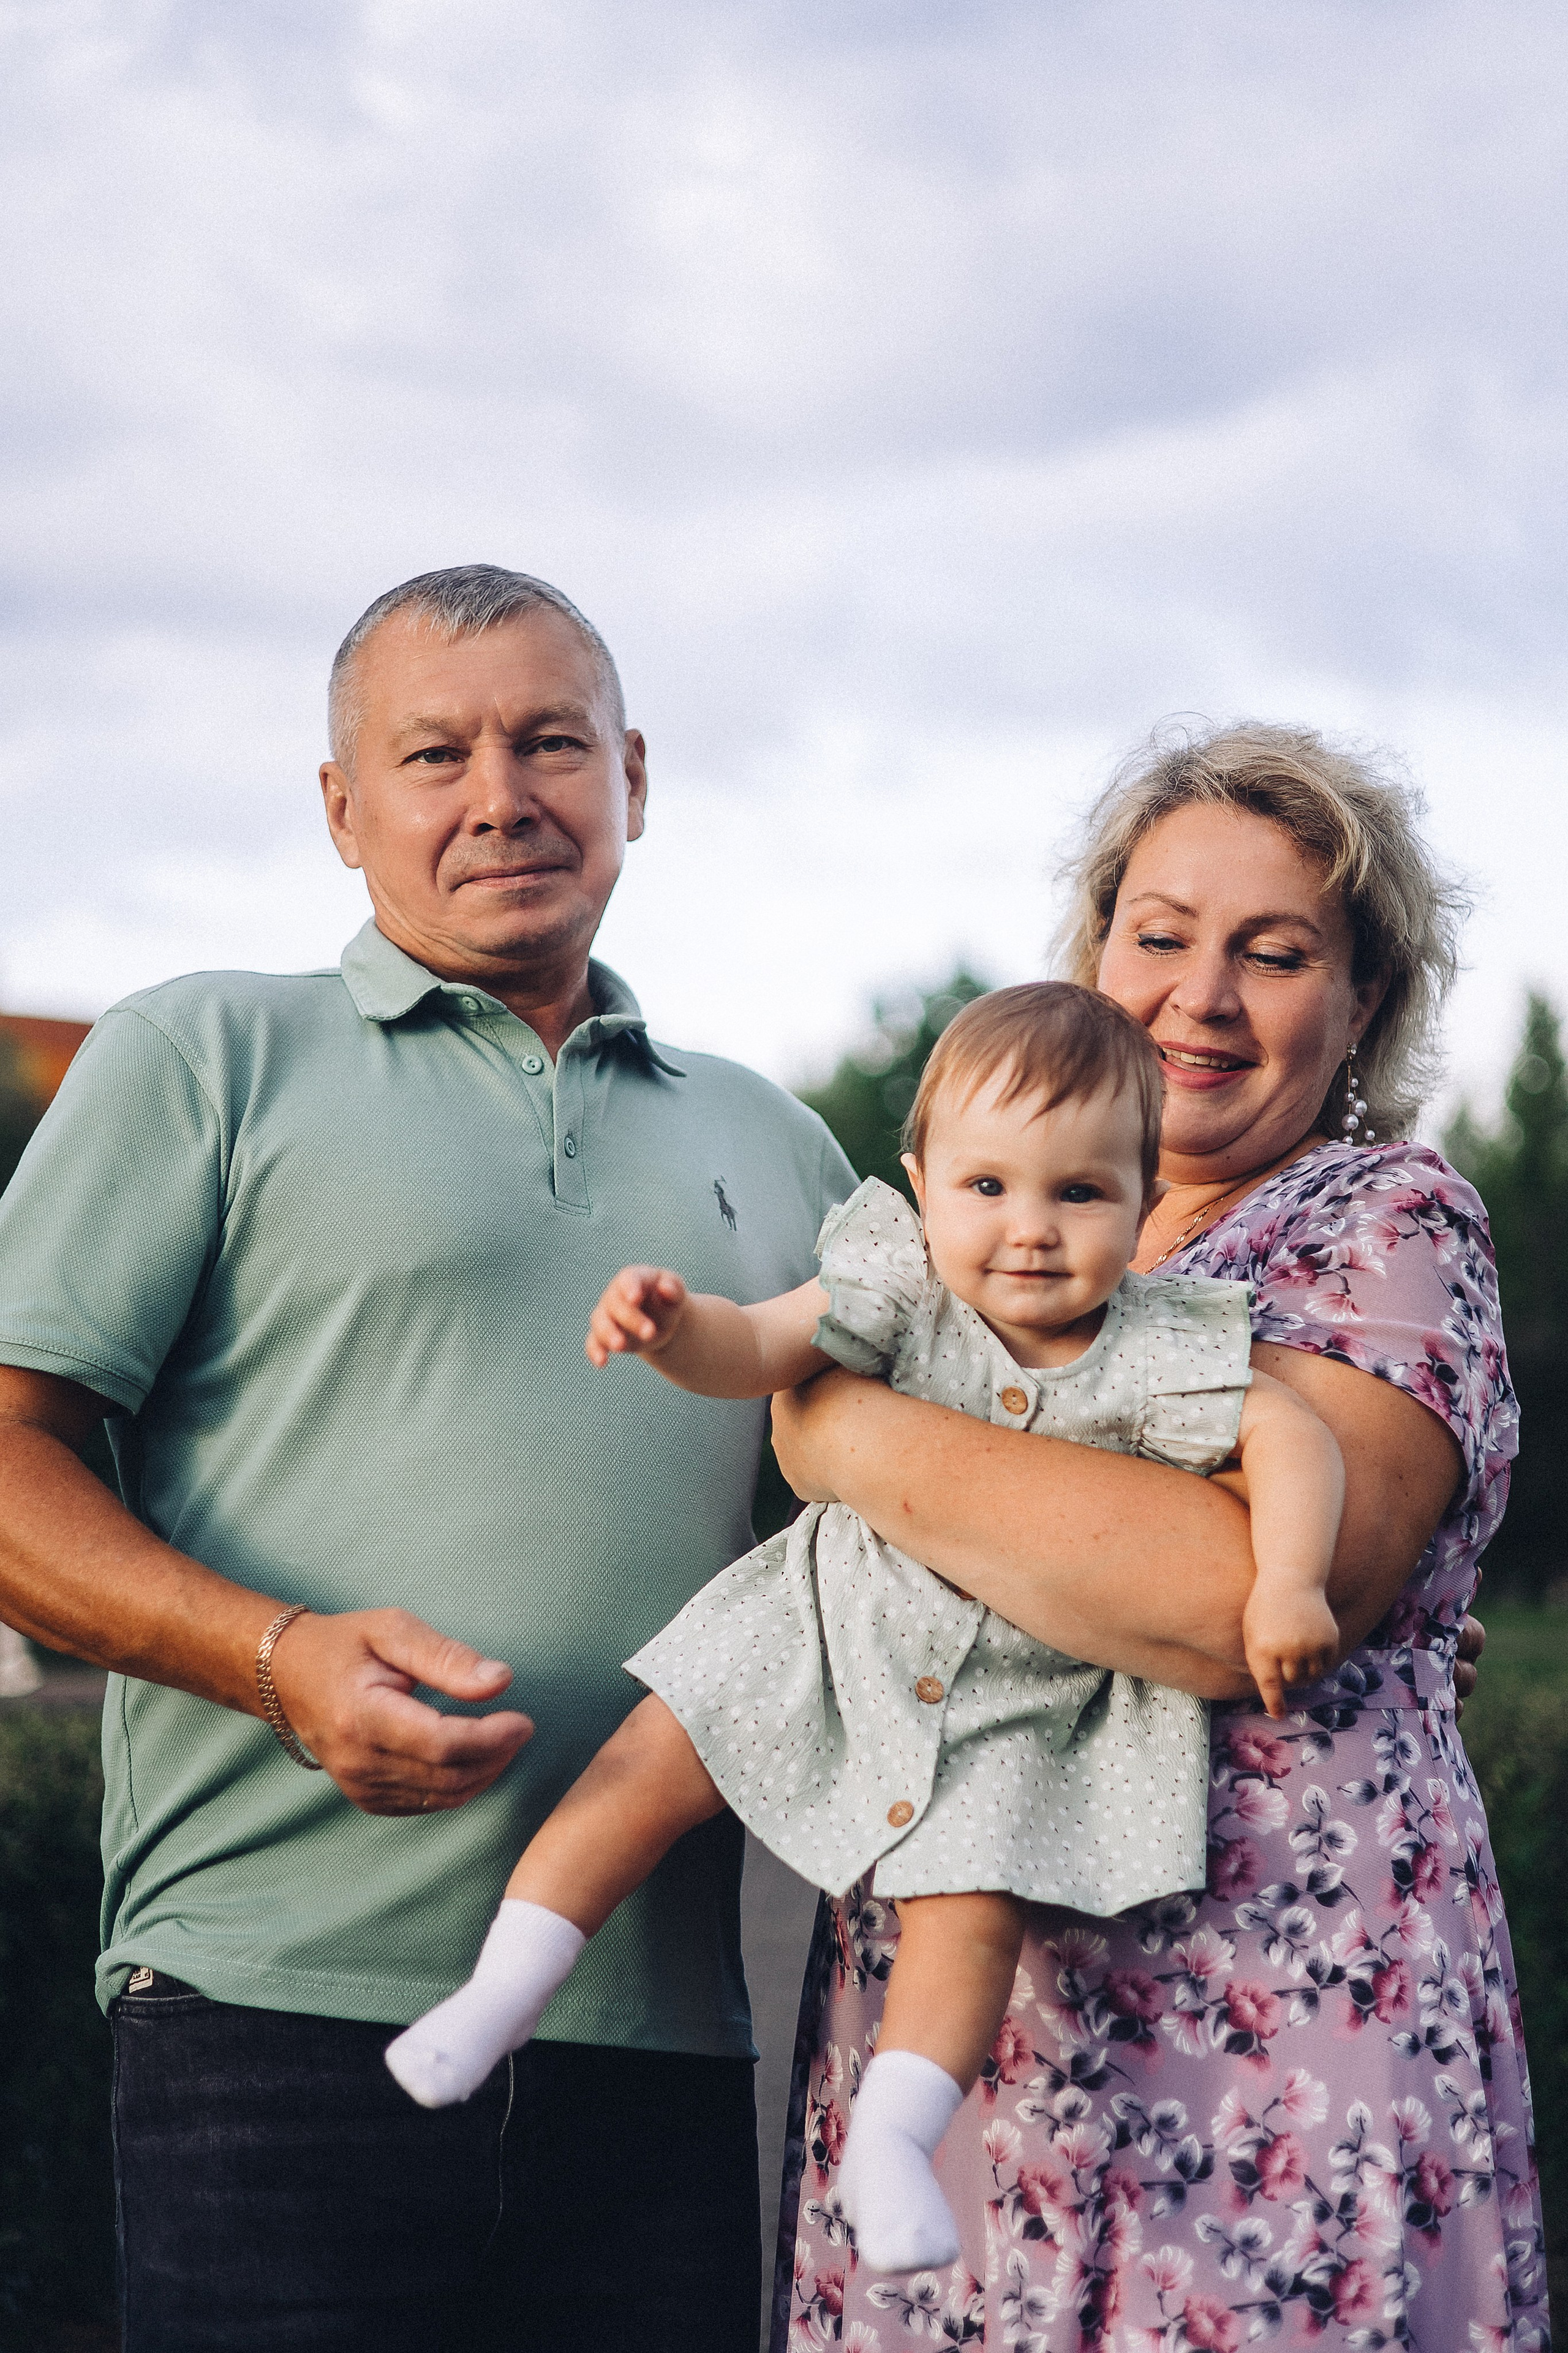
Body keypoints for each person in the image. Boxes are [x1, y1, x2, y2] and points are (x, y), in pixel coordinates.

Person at [0, 565, 855, 2352]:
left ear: (634, 775)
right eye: (434, 753)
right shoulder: (202, 1057)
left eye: (551, 742)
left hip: (660, 2038)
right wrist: (277, 1659)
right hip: (269, 2021)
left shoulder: (780, 1143)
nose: (501, 795)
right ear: (341, 808)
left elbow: (924, 1514)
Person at [769, 725, 1543, 2352]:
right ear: (1095, 952)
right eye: (1161, 935)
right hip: (964, 2032)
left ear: (1363, 1004)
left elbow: (1228, 1594)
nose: (1201, 996)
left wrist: (845, 1436)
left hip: (1266, 2022)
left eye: (1274, 953)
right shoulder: (994, 1217)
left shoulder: (1385, 1220)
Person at [385, 981, 1344, 2278]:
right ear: (922, 1181)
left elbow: (1290, 1435)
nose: (1029, 1229)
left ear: (1142, 1197)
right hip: (823, 1629)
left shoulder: (1162, 1344)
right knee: (644, 1762)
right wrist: (676, 1330)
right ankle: (499, 1992)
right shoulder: (896, 1279)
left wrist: (1289, 1580)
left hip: (1018, 1697)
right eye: (987, 1186)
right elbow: (759, 1347)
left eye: (1079, 1192)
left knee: (970, 1908)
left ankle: (894, 2137)